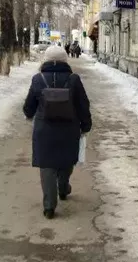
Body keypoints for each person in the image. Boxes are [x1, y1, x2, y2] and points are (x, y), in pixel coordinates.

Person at [23, 45, 92, 219]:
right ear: (65, 60)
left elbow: (28, 107)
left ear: (45, 60)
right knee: (66, 161)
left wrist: (29, 114)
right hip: (69, 130)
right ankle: (63, 188)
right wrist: (86, 125)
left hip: (44, 131)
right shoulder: (74, 79)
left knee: (47, 167)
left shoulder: (37, 79)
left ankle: (49, 207)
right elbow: (83, 105)